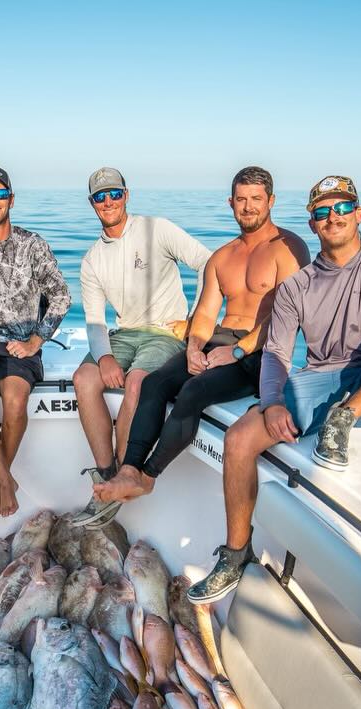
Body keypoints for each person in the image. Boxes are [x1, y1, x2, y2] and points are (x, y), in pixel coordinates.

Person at [187, 174, 361, 603]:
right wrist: (274, 402)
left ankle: (346, 416)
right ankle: (235, 554)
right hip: (320, 376)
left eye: (341, 208)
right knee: (241, 437)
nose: (332, 217)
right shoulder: (297, 285)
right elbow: (277, 353)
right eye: (321, 212)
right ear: (312, 224)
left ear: (359, 214)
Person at [93, 165, 309, 514]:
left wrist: (237, 351)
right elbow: (207, 314)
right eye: (241, 199)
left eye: (256, 199)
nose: (248, 207)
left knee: (194, 391)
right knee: (154, 383)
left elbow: (287, 316)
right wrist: (194, 347)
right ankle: (129, 468)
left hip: (260, 351)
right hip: (218, 342)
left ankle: (147, 477)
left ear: (271, 201)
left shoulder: (289, 248)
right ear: (230, 202)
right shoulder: (223, 256)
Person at [69, 166, 211, 528]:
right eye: (100, 197)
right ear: (92, 204)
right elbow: (95, 320)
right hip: (124, 333)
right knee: (84, 379)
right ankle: (106, 474)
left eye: (114, 193)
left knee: (137, 382)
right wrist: (102, 357)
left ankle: (122, 483)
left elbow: (209, 263)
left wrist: (195, 320)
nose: (108, 202)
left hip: (165, 333)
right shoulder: (91, 259)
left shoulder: (156, 229)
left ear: (126, 195)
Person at [0, 164, 72, 518]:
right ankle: (5, 478)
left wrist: (37, 340)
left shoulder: (31, 244)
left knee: (15, 401)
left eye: (0, 193)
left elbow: (62, 296)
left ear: (11, 199)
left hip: (20, 343)